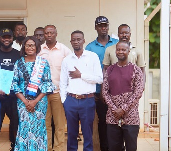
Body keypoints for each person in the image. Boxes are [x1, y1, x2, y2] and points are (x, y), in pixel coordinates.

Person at [60, 30, 103, 151]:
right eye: (73, 39)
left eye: (78, 39)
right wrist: (65, 101)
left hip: (87, 100)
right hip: (71, 100)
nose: (76, 41)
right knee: (71, 134)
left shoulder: (92, 57)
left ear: (84, 41)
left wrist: (81, 75)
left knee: (87, 133)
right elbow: (63, 82)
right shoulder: (67, 60)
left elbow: (100, 79)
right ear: (70, 42)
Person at [11, 36, 55, 150]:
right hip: (22, 102)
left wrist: (35, 101)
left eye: (32, 45)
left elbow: (47, 84)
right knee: (24, 127)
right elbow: (14, 84)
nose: (30, 47)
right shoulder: (18, 63)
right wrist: (26, 101)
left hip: (39, 102)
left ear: (37, 47)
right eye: (27, 45)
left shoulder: (43, 63)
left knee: (38, 128)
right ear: (24, 47)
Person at [102, 41, 144, 151]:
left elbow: (138, 91)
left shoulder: (136, 69)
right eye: (118, 49)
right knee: (114, 148)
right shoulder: (110, 69)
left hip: (131, 117)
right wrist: (115, 109)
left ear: (128, 52)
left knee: (131, 148)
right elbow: (105, 92)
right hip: (113, 117)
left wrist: (123, 109)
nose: (120, 52)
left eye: (123, 50)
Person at [85, 16, 118, 151]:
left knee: (116, 122)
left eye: (105, 25)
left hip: (117, 90)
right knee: (103, 122)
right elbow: (86, 69)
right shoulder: (90, 47)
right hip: (98, 91)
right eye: (100, 26)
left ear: (108, 27)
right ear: (96, 28)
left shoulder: (117, 43)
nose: (103, 28)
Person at [38, 25, 71, 151]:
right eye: (46, 33)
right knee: (45, 124)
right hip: (42, 94)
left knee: (59, 124)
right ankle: (46, 148)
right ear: (44, 35)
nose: (49, 35)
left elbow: (70, 68)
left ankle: (58, 149)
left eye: (51, 33)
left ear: (56, 33)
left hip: (58, 93)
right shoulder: (39, 50)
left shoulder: (64, 50)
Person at [0, 28, 20, 150]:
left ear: (13, 38)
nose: (6, 39)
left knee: (16, 124)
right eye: (4, 37)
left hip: (14, 97)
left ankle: (14, 146)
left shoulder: (18, 54)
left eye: (9, 37)